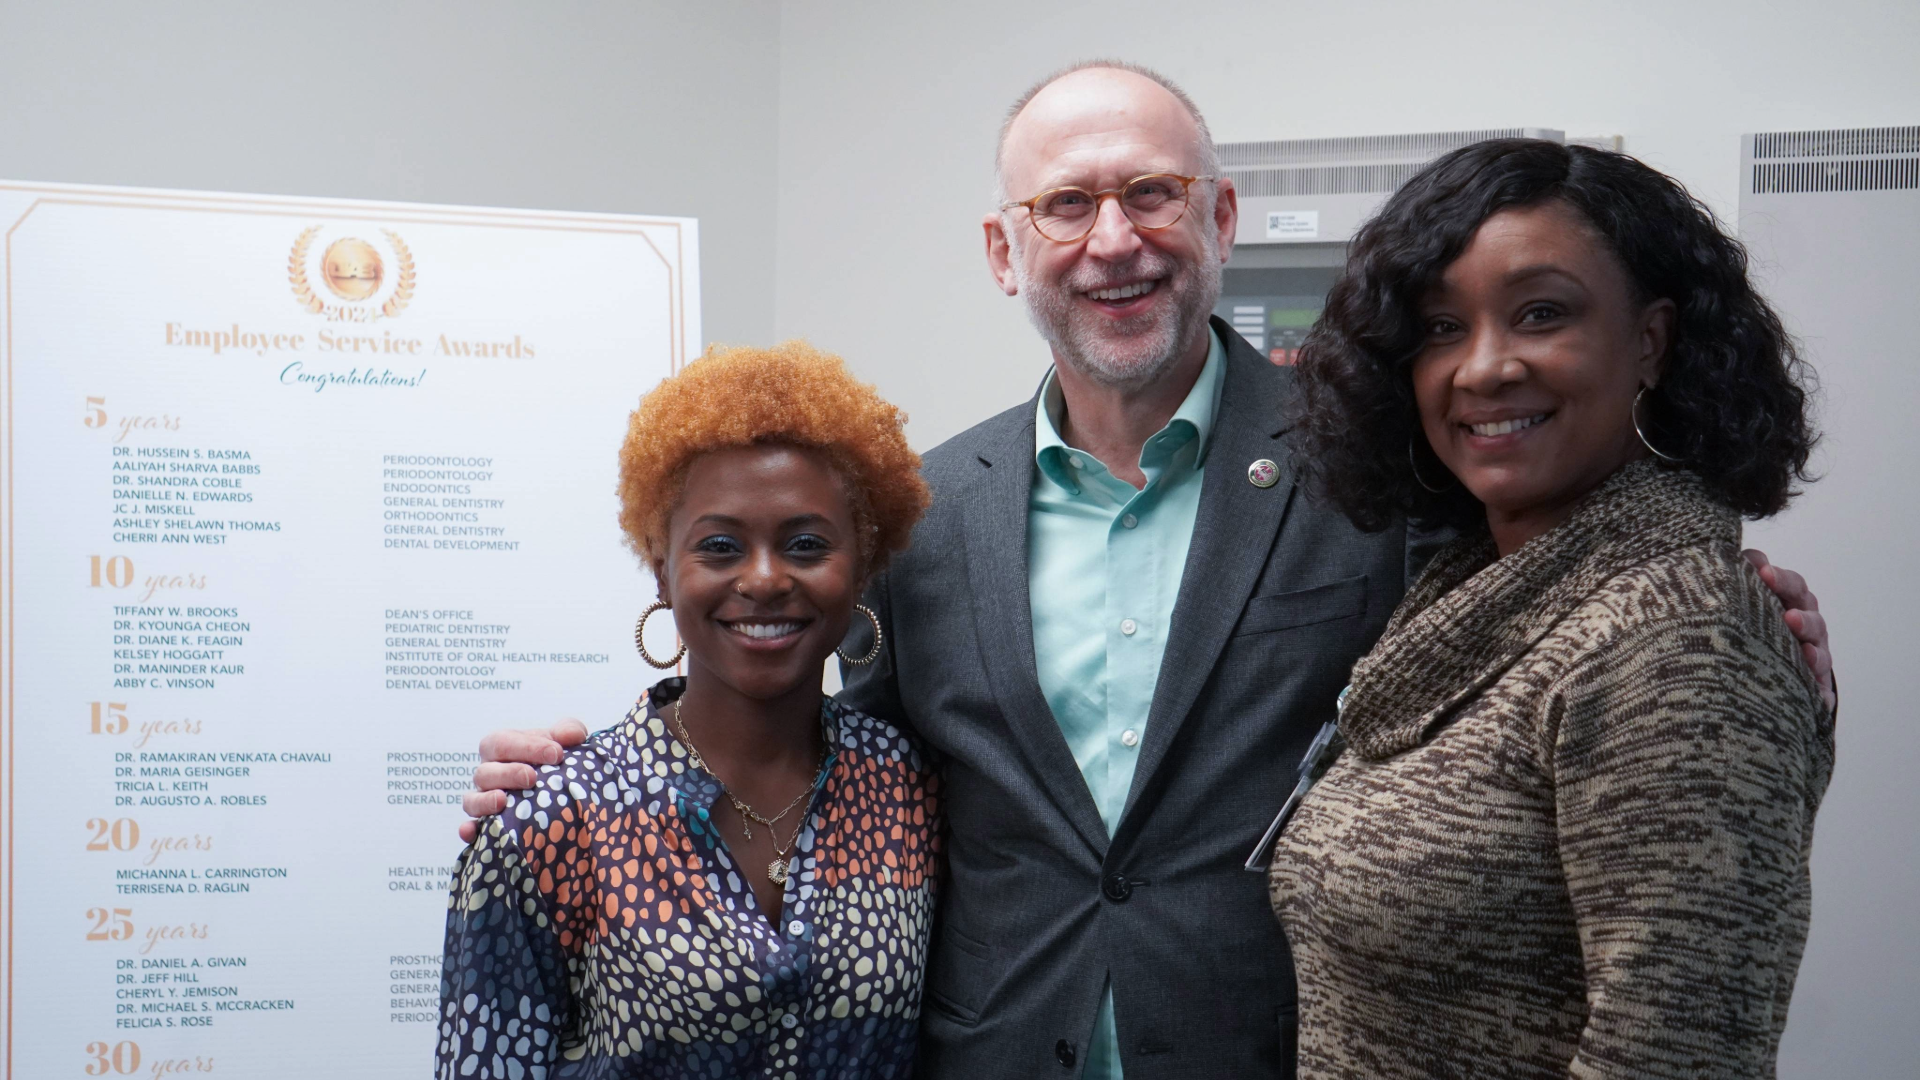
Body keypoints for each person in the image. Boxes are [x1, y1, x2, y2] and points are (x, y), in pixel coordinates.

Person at [461, 64, 1834, 1079]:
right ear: (1007, 251)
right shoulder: (920, 516)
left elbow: (1556, 641)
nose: (1112, 237)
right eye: (1065, 204)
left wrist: (1769, 656)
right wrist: (604, 778)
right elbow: (821, 752)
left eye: (1151, 193)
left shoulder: (1385, 473)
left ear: (1222, 216)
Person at [1268, 139, 1834, 1079]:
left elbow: (1675, 1058)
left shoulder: (1677, 642)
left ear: (1650, 339)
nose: (1484, 368)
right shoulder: (1483, 584)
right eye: (1441, 328)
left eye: (1541, 314)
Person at [436, 342, 938, 1079]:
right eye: (721, 546)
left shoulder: (911, 790)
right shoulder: (548, 820)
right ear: (662, 570)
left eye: (804, 544)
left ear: (860, 566)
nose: (764, 579)